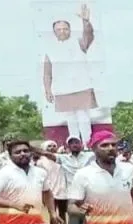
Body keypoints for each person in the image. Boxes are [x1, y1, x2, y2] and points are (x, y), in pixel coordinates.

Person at [43, 2, 97, 146]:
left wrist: (86, 21)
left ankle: (88, 145)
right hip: (63, 89)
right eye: (58, 29)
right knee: (71, 119)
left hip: (81, 86)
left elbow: (89, 35)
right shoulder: (50, 50)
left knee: (83, 118)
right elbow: (47, 73)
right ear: (54, 32)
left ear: (70, 30)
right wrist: (48, 90)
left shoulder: (78, 42)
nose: (62, 31)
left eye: (65, 29)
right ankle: (75, 145)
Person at [36, 136, 95, 224]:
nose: (74, 145)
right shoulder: (63, 159)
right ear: (67, 146)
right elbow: (47, 154)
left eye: (76, 142)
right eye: (71, 143)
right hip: (73, 197)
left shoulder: (91, 156)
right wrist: (29, 148)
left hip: (90, 196)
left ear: (81, 144)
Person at [35, 141, 69, 224]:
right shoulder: (41, 162)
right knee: (53, 215)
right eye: (49, 146)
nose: (52, 147)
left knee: (63, 215)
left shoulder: (62, 159)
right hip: (50, 191)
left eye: (54, 145)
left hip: (63, 191)